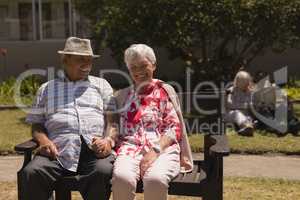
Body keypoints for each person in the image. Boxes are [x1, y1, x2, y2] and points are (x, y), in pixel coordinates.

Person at [21, 37, 117, 200]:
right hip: (57, 153)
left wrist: (108, 140)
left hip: (93, 152)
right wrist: (44, 141)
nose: (86, 64)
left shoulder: (101, 85)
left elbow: (113, 121)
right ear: (65, 60)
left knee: (102, 171)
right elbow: (36, 125)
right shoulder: (46, 89)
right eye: (81, 59)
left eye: (89, 60)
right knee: (31, 172)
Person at [112, 44, 193, 200]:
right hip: (130, 149)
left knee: (155, 180)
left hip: (163, 148)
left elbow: (173, 128)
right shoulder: (123, 96)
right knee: (122, 178)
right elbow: (114, 127)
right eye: (133, 67)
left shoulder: (164, 90)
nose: (138, 71)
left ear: (153, 65)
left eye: (143, 65)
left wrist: (155, 150)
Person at [226, 70, 255, 136]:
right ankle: (246, 127)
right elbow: (229, 104)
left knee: (249, 116)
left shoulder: (249, 92)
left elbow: (251, 105)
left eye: (247, 82)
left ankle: (249, 127)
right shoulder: (232, 90)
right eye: (244, 83)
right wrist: (244, 106)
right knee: (237, 113)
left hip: (245, 114)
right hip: (231, 114)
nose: (246, 85)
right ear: (237, 82)